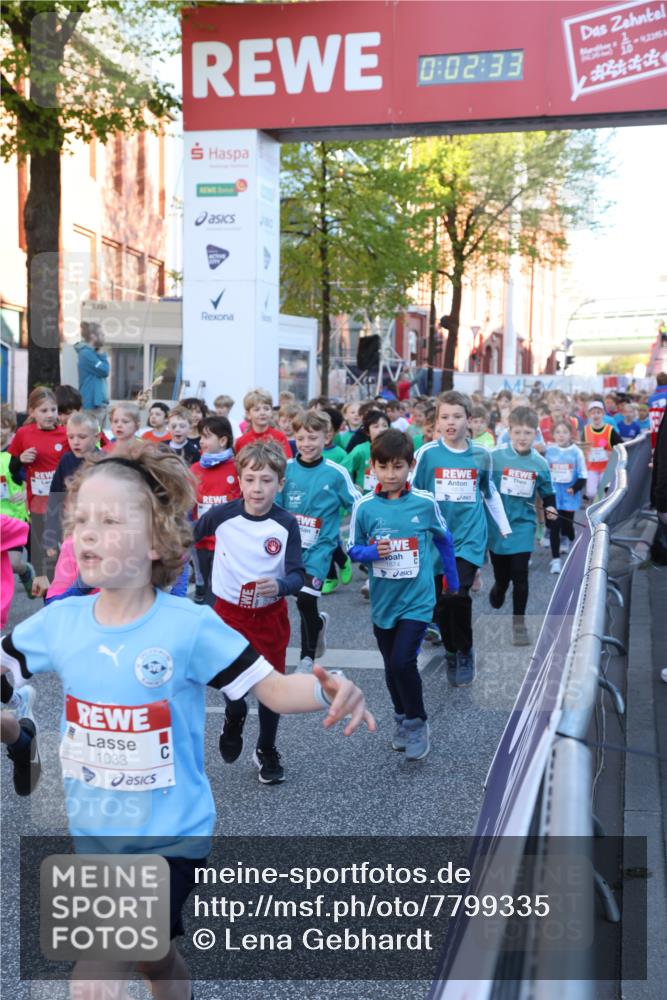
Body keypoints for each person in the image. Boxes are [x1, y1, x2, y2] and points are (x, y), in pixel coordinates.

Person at [0, 440, 374, 998]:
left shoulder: (189, 626)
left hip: (170, 837)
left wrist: (329, 689)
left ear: (157, 540)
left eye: (110, 520)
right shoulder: (60, 622)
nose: (88, 533)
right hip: (97, 834)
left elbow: (271, 688)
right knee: (155, 959)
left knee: (94, 980)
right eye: (81, 521)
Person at [194, 440, 304, 784]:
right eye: (251, 479)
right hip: (228, 614)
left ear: (280, 484)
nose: (258, 488)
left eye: (267, 480)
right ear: (239, 480)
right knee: (233, 683)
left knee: (272, 688)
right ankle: (235, 713)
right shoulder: (221, 515)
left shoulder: (286, 524)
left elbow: (298, 573)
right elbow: (185, 538)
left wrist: (282, 586)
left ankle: (266, 748)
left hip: (269, 615)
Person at [348, 430, 459, 760]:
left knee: (402, 661)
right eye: (383, 467)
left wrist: (451, 583)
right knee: (390, 665)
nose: (390, 474)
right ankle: (401, 717)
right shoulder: (364, 507)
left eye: (398, 467)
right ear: (373, 468)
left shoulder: (424, 503)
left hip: (418, 599)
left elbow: (444, 539)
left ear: (410, 466)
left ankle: (416, 721)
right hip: (384, 602)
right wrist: (370, 553)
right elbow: (352, 549)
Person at [412, 391, 511, 685]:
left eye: (457, 416)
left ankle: (465, 651)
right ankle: (452, 651)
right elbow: (413, 493)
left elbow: (490, 493)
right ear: (436, 422)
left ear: (469, 420)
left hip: (468, 536)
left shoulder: (481, 455)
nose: (451, 422)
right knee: (441, 601)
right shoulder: (427, 454)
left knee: (457, 594)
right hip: (435, 538)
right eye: (445, 417)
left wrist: (504, 528)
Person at [279, 410, 361, 672]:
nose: (306, 444)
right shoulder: (286, 470)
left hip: (321, 548)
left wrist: (358, 538)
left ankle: (306, 660)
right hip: (289, 548)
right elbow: (275, 506)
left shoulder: (335, 473)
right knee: (298, 601)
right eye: (301, 438)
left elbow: (358, 505)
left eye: (313, 438)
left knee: (305, 599)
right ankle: (317, 625)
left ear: (327, 437)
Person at [487, 407, 557, 646]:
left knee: (520, 575)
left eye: (528, 433)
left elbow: (548, 493)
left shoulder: (539, 463)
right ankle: (498, 587)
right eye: (517, 432)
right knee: (503, 577)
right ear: (509, 431)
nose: (522, 437)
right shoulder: (495, 457)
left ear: (535, 434)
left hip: (523, 525)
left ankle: (519, 624)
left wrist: (551, 509)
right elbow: (482, 487)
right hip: (498, 527)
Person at [7, 387, 70, 590]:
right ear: (32, 411)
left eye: (53, 409)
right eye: (44, 411)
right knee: (43, 563)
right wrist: (20, 460)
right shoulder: (24, 434)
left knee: (68, 554)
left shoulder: (66, 434)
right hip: (37, 504)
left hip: (63, 502)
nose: (50, 415)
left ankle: (69, 593)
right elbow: (13, 471)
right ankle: (50, 601)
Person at [41, 411, 101, 595]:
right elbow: (55, 497)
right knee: (65, 572)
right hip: (70, 528)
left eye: (82, 437)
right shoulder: (66, 460)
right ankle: (59, 603)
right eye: (71, 437)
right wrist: (49, 538)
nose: (75, 441)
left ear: (96, 437)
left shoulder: (104, 461)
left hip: (97, 529)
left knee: (92, 571)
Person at [190, 415, 240, 605]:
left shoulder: (237, 468)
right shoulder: (195, 469)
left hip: (228, 540)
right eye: (200, 437)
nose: (201, 441)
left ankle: (222, 622)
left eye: (206, 436)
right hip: (202, 540)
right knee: (208, 585)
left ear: (223, 440)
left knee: (223, 588)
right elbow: (187, 502)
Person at [543, 419, 587, 574]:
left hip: (569, 496)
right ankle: (555, 561)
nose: (561, 435)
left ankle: (575, 548)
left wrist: (575, 488)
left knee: (567, 526)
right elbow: (544, 472)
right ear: (553, 434)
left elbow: (583, 475)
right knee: (554, 526)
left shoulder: (576, 452)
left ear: (571, 434)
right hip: (552, 496)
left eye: (565, 432)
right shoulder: (549, 451)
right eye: (558, 432)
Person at [235, 388, 292, 460]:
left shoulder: (280, 437)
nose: (262, 413)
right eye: (257, 409)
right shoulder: (241, 442)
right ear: (248, 414)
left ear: (271, 411)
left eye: (266, 409)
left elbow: (288, 464)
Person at [343, 409, 390, 493]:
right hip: (364, 499)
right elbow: (343, 469)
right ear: (367, 432)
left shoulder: (395, 449)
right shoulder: (360, 450)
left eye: (385, 425)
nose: (381, 429)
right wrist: (352, 487)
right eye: (376, 426)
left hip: (387, 498)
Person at [583, 400, 622, 499]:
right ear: (589, 415)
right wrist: (584, 454)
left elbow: (621, 446)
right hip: (591, 467)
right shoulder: (586, 430)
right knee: (591, 493)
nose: (595, 415)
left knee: (604, 493)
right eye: (593, 413)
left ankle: (599, 512)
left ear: (603, 414)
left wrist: (612, 453)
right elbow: (581, 448)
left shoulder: (610, 430)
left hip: (606, 468)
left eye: (598, 412)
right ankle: (593, 507)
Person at [74, 321, 110, 428]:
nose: (104, 337)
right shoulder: (86, 354)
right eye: (101, 334)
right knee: (93, 437)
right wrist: (102, 354)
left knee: (99, 438)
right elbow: (105, 371)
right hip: (92, 404)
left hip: (98, 404)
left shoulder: (93, 353)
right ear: (93, 336)